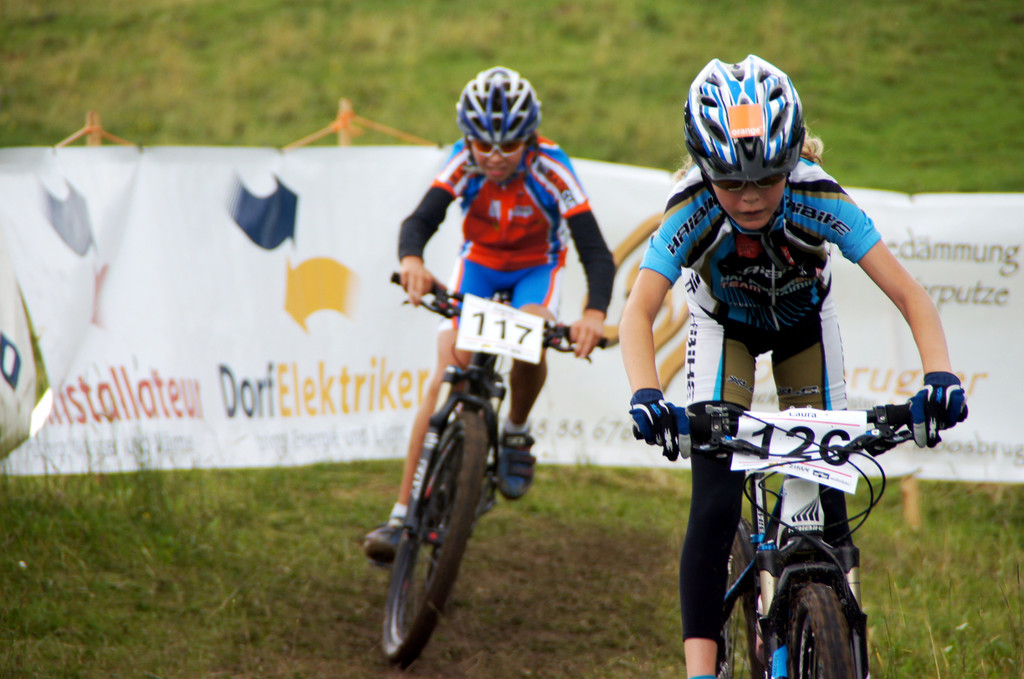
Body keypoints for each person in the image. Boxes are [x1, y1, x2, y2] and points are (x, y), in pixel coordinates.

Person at [619, 55, 967, 678]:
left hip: (804, 327)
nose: (750, 197)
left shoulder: (817, 195)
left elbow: (910, 294)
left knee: (830, 500)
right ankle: (699, 670)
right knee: (715, 501)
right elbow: (639, 311)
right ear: (704, 170)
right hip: (724, 328)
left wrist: (940, 377)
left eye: (767, 179)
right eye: (731, 182)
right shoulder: (690, 205)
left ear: (791, 164)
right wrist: (647, 394)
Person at [364, 66, 615, 564]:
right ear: (468, 139)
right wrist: (412, 262)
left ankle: (516, 430)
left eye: (508, 145)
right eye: (484, 145)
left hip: (535, 267)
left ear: (530, 139)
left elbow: (595, 251)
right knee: (448, 370)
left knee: (532, 333)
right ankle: (400, 514)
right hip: (478, 264)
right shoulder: (462, 161)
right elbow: (421, 220)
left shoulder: (552, 166)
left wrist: (592, 313)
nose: (495, 157)